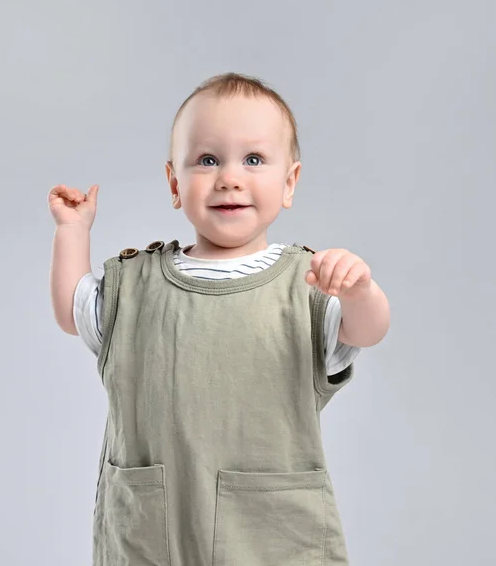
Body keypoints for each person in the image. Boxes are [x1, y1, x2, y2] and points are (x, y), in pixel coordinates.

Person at [48, 72, 390, 566]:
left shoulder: (308, 284)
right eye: (207, 160)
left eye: (253, 159)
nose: (230, 177)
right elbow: (70, 312)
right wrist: (72, 232)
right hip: (153, 535)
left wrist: (360, 290)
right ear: (174, 183)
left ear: (289, 182)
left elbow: (367, 330)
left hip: (270, 537)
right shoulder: (134, 286)